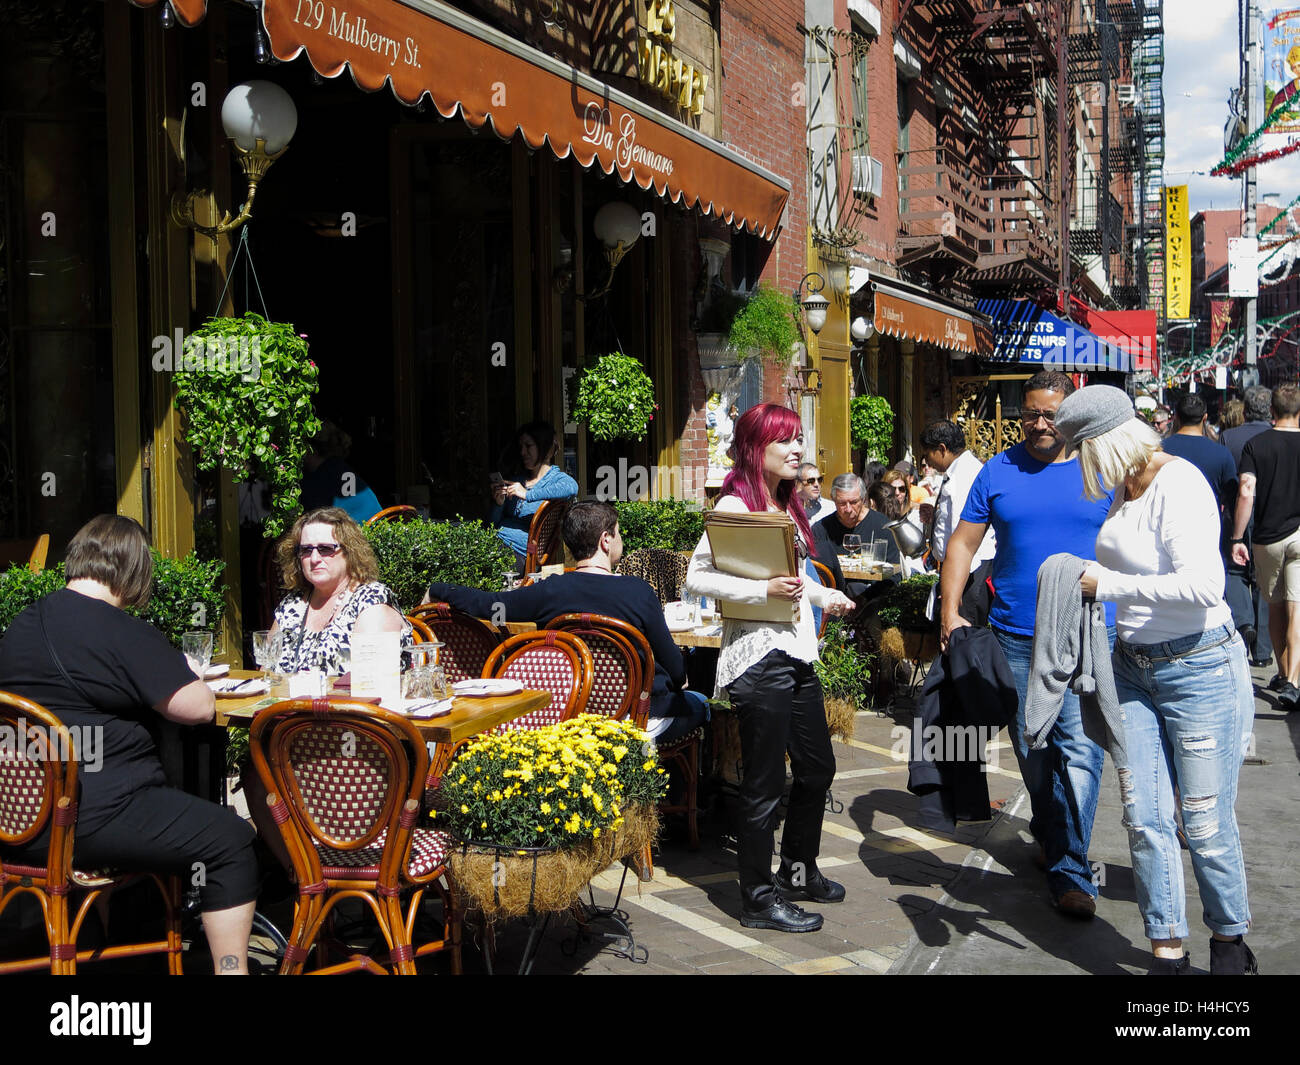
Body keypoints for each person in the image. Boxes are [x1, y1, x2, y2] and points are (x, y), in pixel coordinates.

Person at [0, 516, 258, 974]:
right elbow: (196, 708)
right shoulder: (122, 631)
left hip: (21, 824)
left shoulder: (22, 624)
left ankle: (110, 937)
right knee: (230, 838)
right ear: (135, 572)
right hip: (95, 820)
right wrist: (190, 675)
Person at [1058, 386, 1257, 975]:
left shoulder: (1180, 482)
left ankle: (1228, 943)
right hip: (1133, 668)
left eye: (1084, 452)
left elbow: (1203, 587)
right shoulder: (1127, 486)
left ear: (1107, 442)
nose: (1083, 468)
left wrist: (1107, 585)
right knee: (1144, 820)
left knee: (1203, 820)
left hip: (1200, 668)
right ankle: (1166, 951)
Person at [940, 370, 1115, 920]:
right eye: (1032, 414)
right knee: (1034, 752)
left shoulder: (1102, 468)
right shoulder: (998, 469)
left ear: (1071, 417)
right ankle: (1050, 826)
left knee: (1083, 751)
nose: (1041, 424)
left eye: (1052, 415)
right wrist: (949, 612)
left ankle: (1069, 868)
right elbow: (962, 544)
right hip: (1016, 635)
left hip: (1089, 631)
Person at [685, 404, 855, 933]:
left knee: (816, 768)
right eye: (786, 441)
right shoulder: (737, 503)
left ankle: (799, 872)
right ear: (758, 447)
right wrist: (760, 590)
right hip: (758, 659)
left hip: (796, 654)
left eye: (799, 439)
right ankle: (758, 898)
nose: (797, 450)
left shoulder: (785, 504)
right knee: (763, 783)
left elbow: (794, 582)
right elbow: (697, 577)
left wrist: (828, 595)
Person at [424, 500, 708, 744]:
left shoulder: (549, 591)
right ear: (605, 540)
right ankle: (678, 801)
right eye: (618, 533)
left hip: (573, 718)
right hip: (639, 721)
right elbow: (675, 668)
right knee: (703, 705)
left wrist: (439, 589)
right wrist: (681, 679)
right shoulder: (639, 592)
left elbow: (489, 605)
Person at [271, 507, 411, 675]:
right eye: (306, 550)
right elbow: (267, 671)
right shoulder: (291, 605)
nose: (314, 559)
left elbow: (372, 682)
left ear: (349, 551)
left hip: (349, 701)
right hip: (285, 700)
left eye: (325, 549)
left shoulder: (371, 601)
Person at [1231, 382, 1300, 709]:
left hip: (1267, 537)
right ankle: (1293, 681)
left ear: (1272, 411)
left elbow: (1246, 491)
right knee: (1297, 608)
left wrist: (1236, 536)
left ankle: (1286, 672)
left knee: (1274, 607)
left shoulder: (1256, 445)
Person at [1222, 385, 1275, 667]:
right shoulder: (1279, 436)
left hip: (1236, 512)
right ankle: (1264, 652)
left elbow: (1227, 476)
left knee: (1235, 570)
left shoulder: (1229, 436)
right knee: (1264, 577)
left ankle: (1243, 624)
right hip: (1272, 514)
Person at [489, 421, 578, 568]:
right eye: (521, 447)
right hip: (495, 542)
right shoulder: (517, 481)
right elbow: (490, 526)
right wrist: (498, 504)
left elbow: (572, 487)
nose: (523, 452)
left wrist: (527, 494)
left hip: (520, 554)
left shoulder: (555, 479)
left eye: (528, 446)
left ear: (545, 447)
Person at [918, 420, 996, 573]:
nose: (927, 461)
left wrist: (954, 589)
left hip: (967, 571)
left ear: (942, 449)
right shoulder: (957, 472)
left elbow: (962, 535)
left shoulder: (964, 475)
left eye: (928, 454)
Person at [816, 473, 901, 602]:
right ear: (833, 499)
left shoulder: (882, 526)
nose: (848, 509)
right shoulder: (821, 529)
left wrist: (864, 599)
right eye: (842, 503)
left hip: (873, 601)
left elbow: (895, 574)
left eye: (854, 502)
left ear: (863, 499)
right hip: (833, 602)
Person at [1161, 393, 1238, 518]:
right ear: (1205, 418)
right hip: (1208, 527)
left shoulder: (1160, 450)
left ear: (1177, 417)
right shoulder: (1221, 454)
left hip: (1167, 524)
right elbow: (1232, 498)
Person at [301, 420, 383, 524]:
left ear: (309, 449)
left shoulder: (321, 476)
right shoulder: (339, 468)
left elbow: (309, 518)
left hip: (357, 534)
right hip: (375, 529)